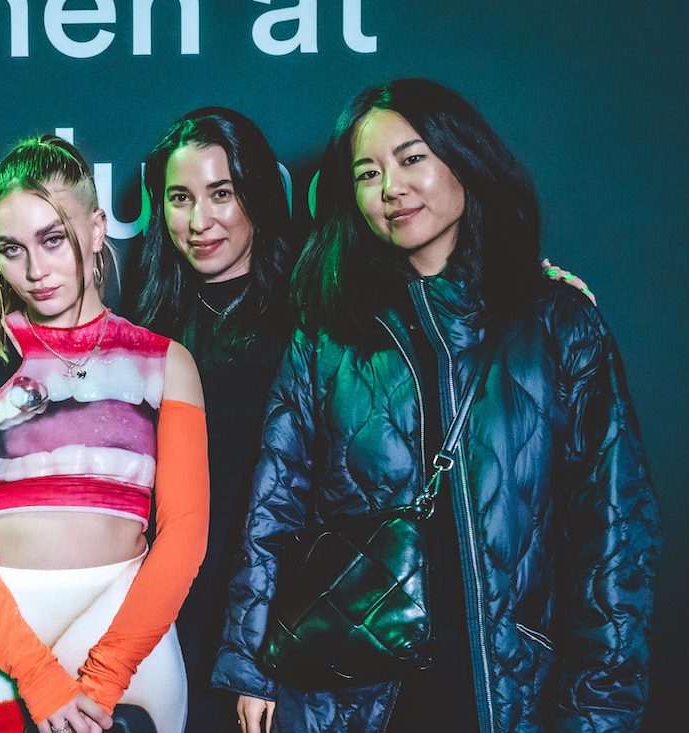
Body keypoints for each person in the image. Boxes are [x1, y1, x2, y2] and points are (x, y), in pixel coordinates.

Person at [213, 78, 660, 733]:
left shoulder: (559, 323)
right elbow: (274, 505)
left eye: (412, 157)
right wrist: (251, 663)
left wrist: (599, 708)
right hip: (353, 685)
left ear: (464, 158)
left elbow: (616, 535)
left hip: (512, 687)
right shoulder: (325, 335)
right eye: (368, 171)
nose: (391, 186)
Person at [0, 134, 208, 733]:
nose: (35, 270)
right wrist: (39, 677)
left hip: (128, 633)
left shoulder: (165, 362)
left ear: (97, 228)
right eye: (11, 249)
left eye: (53, 239)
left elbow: (184, 534)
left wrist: (105, 676)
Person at [129, 107, 296, 732]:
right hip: (169, 618)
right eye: (180, 198)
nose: (199, 222)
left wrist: (268, 654)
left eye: (221, 193)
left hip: (271, 618)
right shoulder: (147, 326)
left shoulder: (309, 319)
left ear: (255, 192)